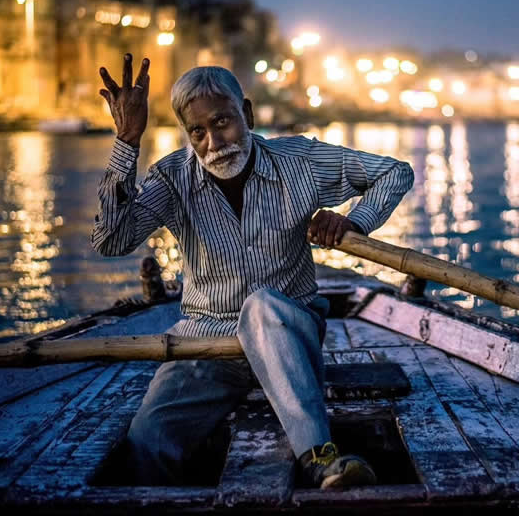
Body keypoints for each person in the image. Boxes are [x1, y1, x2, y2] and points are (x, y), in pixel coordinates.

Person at [91, 54, 414, 488]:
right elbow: (111, 241)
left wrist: (354, 220)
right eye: (198, 132)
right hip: (206, 344)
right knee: (148, 441)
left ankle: (319, 456)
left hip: (290, 331)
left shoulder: (298, 160)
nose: (212, 142)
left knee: (261, 306)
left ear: (247, 113)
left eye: (222, 122)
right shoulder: (171, 178)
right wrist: (127, 141)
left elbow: (395, 172)